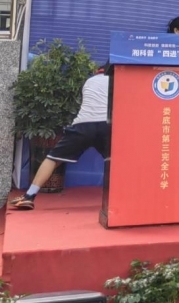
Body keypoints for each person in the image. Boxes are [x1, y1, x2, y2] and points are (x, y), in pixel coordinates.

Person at [11, 64, 111, 210]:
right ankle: (125, 199)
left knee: (52, 159)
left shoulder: (89, 81)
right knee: (116, 162)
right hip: (106, 126)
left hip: (82, 125)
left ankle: (29, 196)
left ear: (98, 71)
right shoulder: (116, 81)